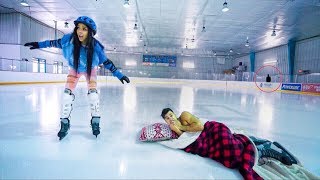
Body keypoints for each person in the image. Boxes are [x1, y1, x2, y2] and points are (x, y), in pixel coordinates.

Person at [24, 16, 130, 140]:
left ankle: (95, 121)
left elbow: (107, 62)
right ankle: (65, 123)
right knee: (66, 95)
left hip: (90, 70)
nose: (80, 31)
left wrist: (119, 75)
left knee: (93, 95)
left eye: (84, 29)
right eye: (78, 28)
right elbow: (53, 43)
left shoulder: (95, 47)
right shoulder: (69, 40)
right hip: (74, 69)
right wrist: (38, 44)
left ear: (90, 32)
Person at [161, 108, 298, 180]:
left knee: (228, 143)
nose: (170, 118)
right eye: (167, 118)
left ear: (174, 113)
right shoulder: (173, 130)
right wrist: (177, 131)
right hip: (205, 141)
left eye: (171, 115)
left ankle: (264, 149)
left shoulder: (184, 116)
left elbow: (200, 127)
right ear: (165, 121)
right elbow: (188, 142)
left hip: (212, 129)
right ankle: (261, 150)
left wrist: (181, 128)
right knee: (230, 159)